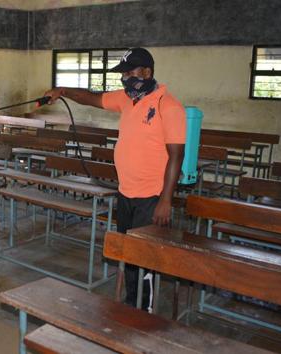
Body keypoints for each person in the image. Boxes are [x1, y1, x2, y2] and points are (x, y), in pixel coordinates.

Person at [44, 47, 186, 311]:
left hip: (151, 197)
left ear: (147, 72)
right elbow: (92, 98)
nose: (124, 79)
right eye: (122, 74)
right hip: (126, 193)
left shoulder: (170, 106)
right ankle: (132, 306)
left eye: (129, 73)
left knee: (146, 260)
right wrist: (62, 90)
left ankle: (145, 313)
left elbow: (177, 156)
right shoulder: (125, 99)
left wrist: (166, 201)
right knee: (130, 255)